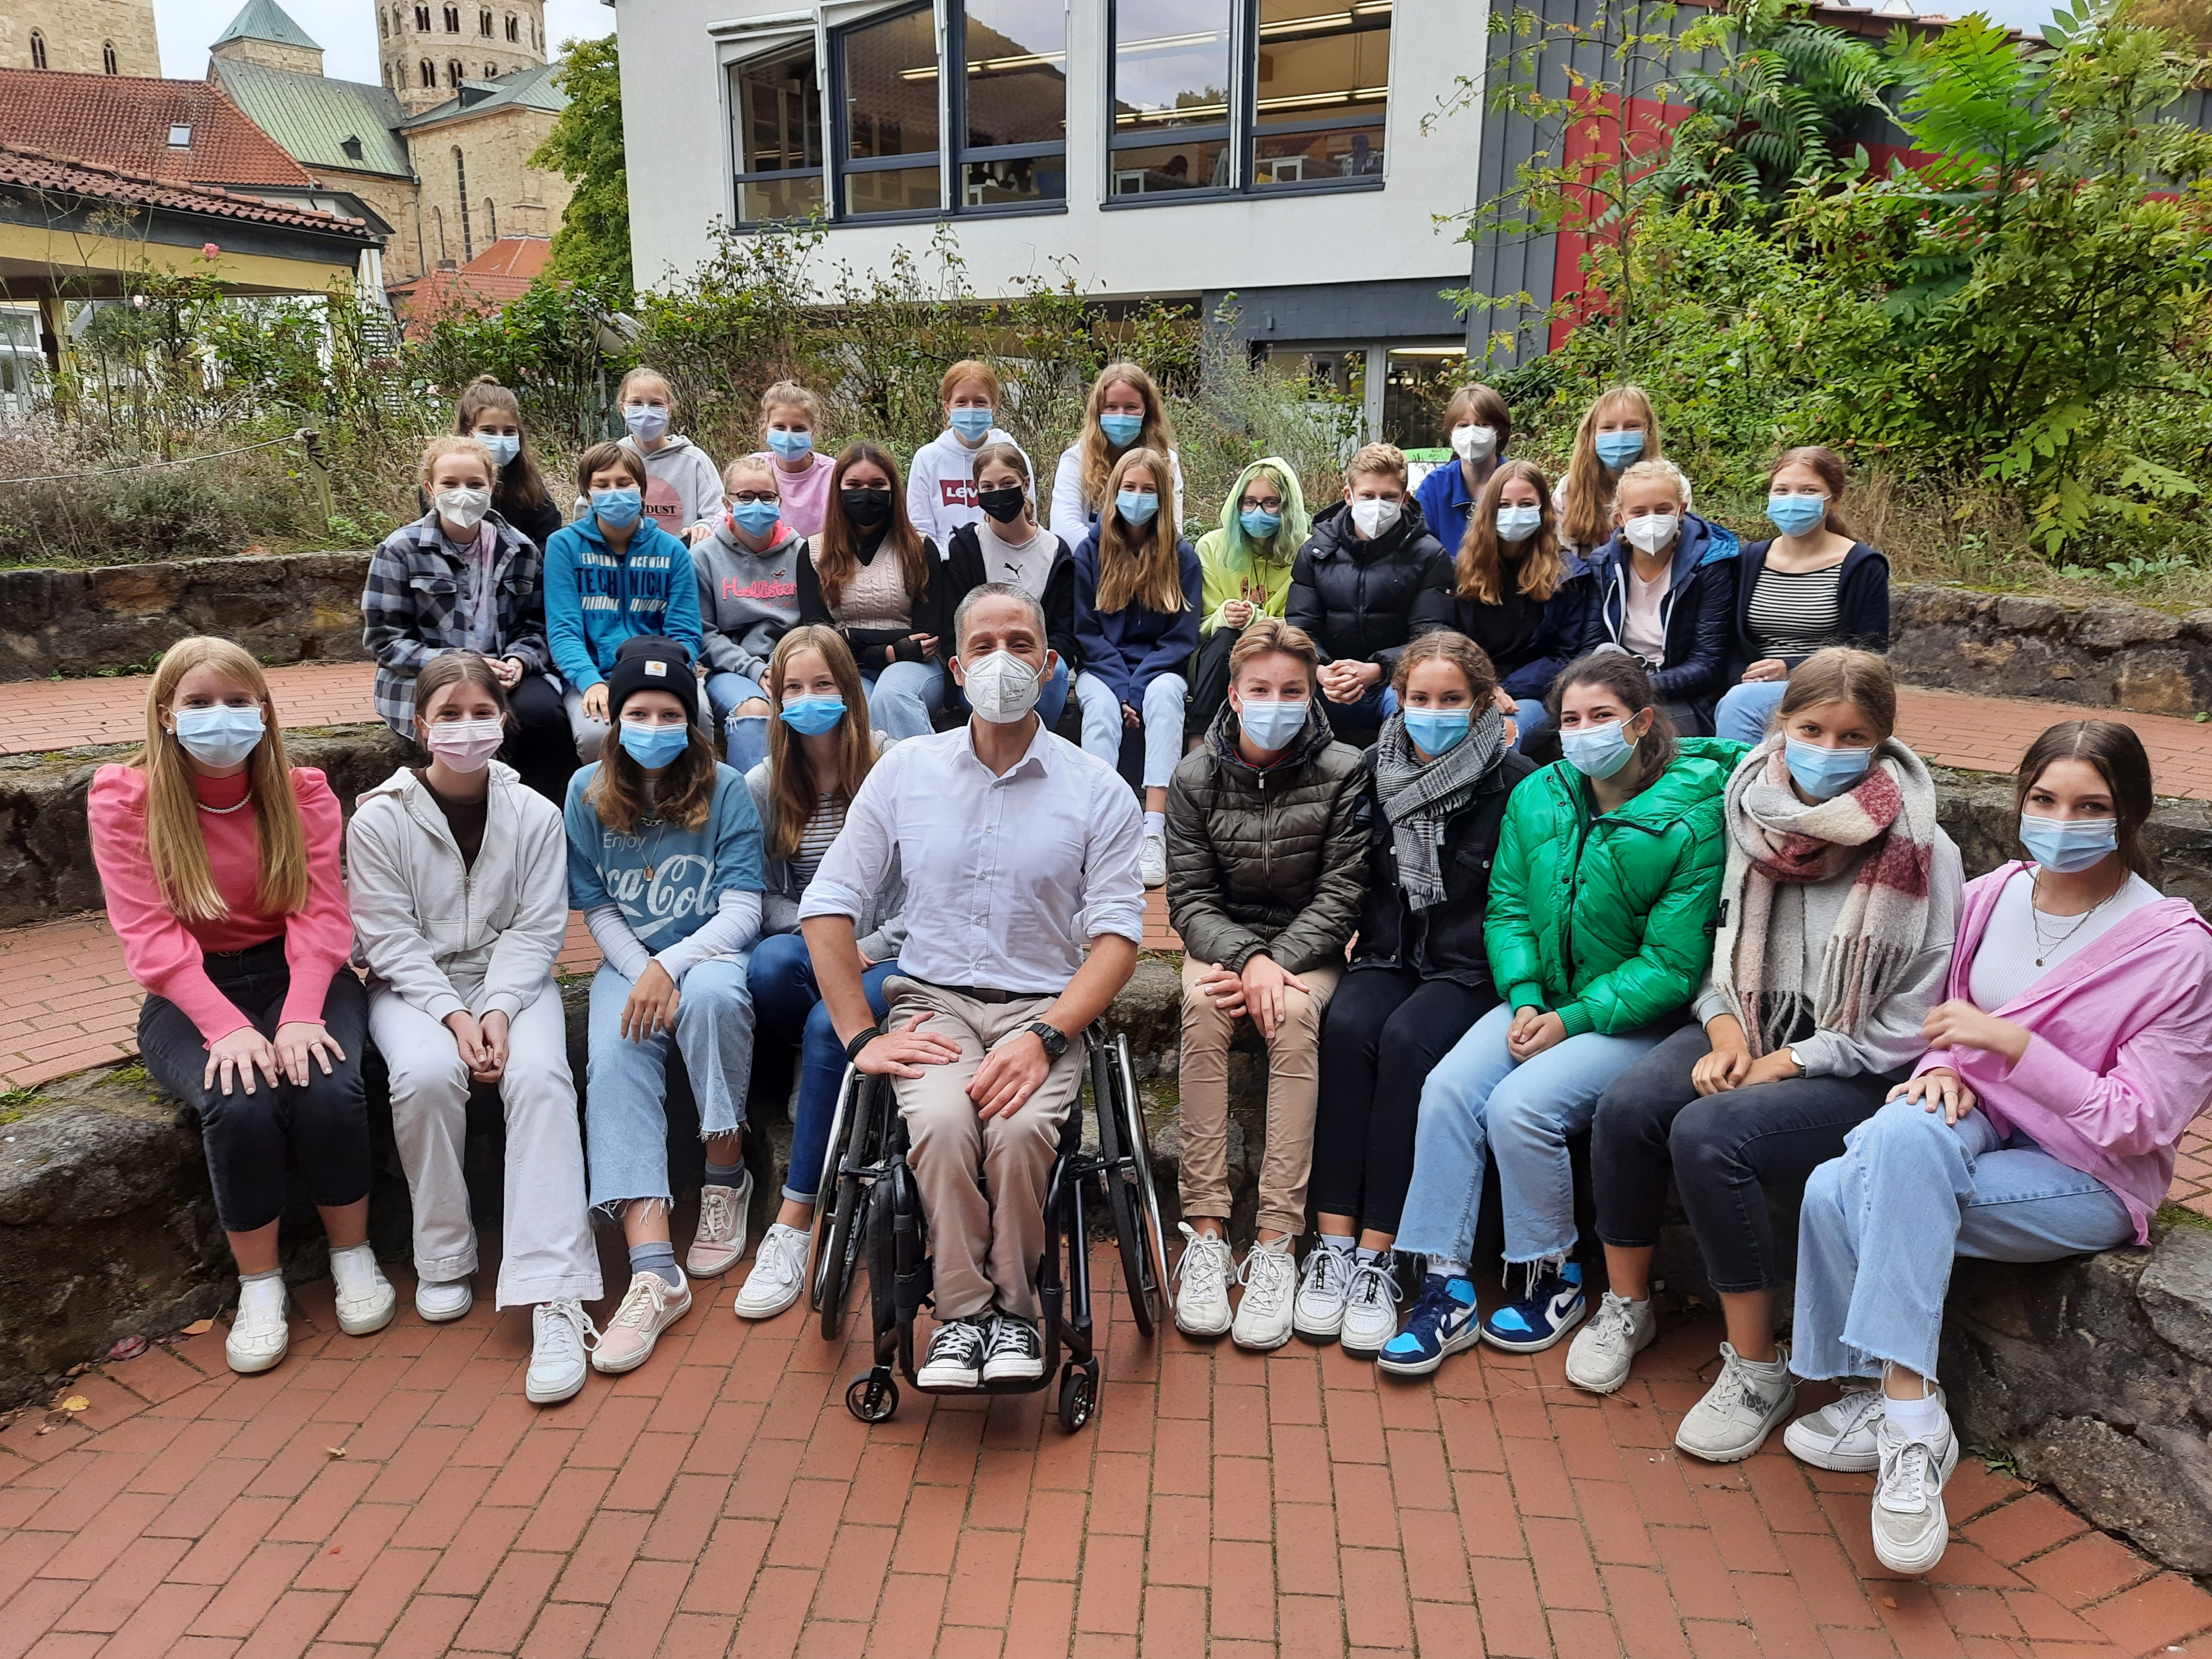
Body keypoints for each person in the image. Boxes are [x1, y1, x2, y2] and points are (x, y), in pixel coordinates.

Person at [1783, 720, 2212, 1577]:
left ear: (2128, 813)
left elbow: (2137, 1122)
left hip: (2085, 1171)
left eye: (2090, 805)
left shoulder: (2175, 950)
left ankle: (1890, 1408)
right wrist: (1947, 1064)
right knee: (1899, 1132)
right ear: (2020, 799)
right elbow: (1945, 1027)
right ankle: (1908, 1411)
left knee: (1841, 1187)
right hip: (1980, 1118)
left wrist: (2010, 1050)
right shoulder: (1992, 894)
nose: (2062, 820)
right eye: (2044, 799)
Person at [1568, 651, 1961, 1464]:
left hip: (1852, 1061)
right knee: (1629, 1105)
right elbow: (1714, 953)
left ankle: (1754, 1368)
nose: (1826, 747)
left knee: (1712, 1135)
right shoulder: (1747, 810)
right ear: (1780, 724)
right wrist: (1723, 1033)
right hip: (1744, 1022)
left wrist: (1788, 1059)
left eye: (1851, 735)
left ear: (1881, 741)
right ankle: (1626, 1303)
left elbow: (1912, 1015)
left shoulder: (1923, 847)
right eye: (1810, 727)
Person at [801, 583, 1145, 1391]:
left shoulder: (1097, 788)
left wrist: (1047, 1035)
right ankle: (960, 1315)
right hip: (934, 1003)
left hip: (1043, 1007)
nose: (1002, 661)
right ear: (954, 668)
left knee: (1022, 1130)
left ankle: (1017, 1313)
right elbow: (827, 905)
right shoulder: (904, 773)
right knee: (946, 1121)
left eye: (1019, 643)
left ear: (1049, 663)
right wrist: (860, 1034)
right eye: (983, 646)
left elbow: (1117, 939)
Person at [1377, 650, 1737, 1375]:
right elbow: (1508, 909)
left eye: (1601, 717)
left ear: (1642, 722)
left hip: (1633, 1018)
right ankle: (1443, 1284)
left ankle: (1554, 1275)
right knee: (1448, 1090)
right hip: (1545, 1000)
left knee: (1521, 1107)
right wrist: (1528, 996)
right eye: (1570, 719)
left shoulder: (1691, 816)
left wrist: (1569, 1022)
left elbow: (1673, 965)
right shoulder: (1540, 794)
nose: (1582, 733)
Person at [88, 637, 390, 1376]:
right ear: (165, 714)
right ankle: (261, 1284)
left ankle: (353, 1254)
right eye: (197, 703)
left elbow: (322, 917)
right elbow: (148, 934)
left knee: (328, 1084)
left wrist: (300, 1013)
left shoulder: (302, 793)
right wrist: (224, 1027)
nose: (218, 716)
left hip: (301, 977)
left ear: (264, 710)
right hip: (190, 989)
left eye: (235, 701)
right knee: (240, 1097)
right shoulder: (124, 799)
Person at [345, 653, 601, 1405]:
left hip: (513, 986)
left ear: (504, 720)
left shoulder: (536, 814)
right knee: (425, 1075)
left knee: (543, 1079)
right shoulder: (379, 818)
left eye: (480, 713)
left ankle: (555, 1291)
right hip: (413, 989)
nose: (466, 728)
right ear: (420, 725)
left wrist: (495, 1007)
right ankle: (444, 1254)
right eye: (448, 715)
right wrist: (454, 1016)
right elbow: (388, 941)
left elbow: (537, 927)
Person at [1299, 632, 1537, 1356]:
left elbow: (1520, 900)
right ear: (1398, 700)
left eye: (1451, 700)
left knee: (1407, 1044)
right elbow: (1343, 880)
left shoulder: (1517, 780)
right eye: (1419, 698)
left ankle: (1381, 1254)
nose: (1433, 713)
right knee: (1345, 1028)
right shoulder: (1372, 769)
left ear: (1484, 704)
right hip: (1387, 952)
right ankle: (1332, 1244)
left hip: (1467, 968)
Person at [564, 636, 766, 1375]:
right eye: (640, 712)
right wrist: (645, 972)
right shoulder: (585, 790)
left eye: (671, 711)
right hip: (632, 959)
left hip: (707, 952)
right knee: (614, 1051)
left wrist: (672, 966)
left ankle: (724, 1177)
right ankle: (655, 1268)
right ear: (617, 720)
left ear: (693, 719)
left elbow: (743, 909)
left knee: (713, 1001)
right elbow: (596, 909)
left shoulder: (728, 788)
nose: (655, 724)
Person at [1165, 618, 1367, 1349]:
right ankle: (1209, 1230)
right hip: (1223, 943)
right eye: (1261, 689)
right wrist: (1247, 960)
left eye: (1292, 689)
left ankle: (1278, 1237)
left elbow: (1343, 894)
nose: (1276, 701)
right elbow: (1188, 898)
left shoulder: (1346, 771)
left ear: (1312, 694)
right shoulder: (1194, 777)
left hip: (1306, 945)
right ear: (1235, 693)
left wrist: (1278, 963)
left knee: (1296, 1019)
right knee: (1202, 1010)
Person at [734, 626, 907, 1320]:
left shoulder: (893, 767)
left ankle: (795, 1218)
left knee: (823, 1019)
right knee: (771, 968)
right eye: (793, 689)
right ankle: (836, 1075)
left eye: (824, 686)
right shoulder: (765, 784)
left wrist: (870, 943)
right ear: (774, 699)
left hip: (890, 949)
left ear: (851, 692)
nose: (809, 700)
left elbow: (928, 886)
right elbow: (761, 895)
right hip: (815, 940)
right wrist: (826, 934)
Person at [365, 434, 572, 805]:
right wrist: (463, 665)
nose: (464, 493)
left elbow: (537, 625)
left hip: (503, 670)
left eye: (475, 484)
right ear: (430, 488)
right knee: (463, 725)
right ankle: (460, 817)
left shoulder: (520, 549)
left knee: (545, 717)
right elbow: (385, 639)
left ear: (492, 487)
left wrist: (519, 660)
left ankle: (537, 819)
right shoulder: (400, 549)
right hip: (425, 675)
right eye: (450, 483)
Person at [1072, 447, 1202, 888]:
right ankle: (1097, 828)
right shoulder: (1091, 551)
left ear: (1163, 497)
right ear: (1113, 492)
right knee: (1101, 713)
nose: (1138, 497)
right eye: (1129, 488)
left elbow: (1180, 638)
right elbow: (1087, 632)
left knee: (1166, 697)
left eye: (1148, 489)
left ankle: (1153, 829)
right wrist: (1123, 690)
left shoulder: (1182, 557)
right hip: (1102, 669)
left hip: (1158, 668)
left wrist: (1139, 688)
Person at [1715, 447, 1892, 744]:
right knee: (1740, 699)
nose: (1793, 499)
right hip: (1752, 687)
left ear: (1834, 499)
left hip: (1831, 688)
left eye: (1809, 491)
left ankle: (1739, 787)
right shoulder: (1750, 559)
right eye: (1782, 490)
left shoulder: (1862, 565)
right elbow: (1732, 642)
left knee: (1741, 706)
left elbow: (1869, 654)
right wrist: (1744, 679)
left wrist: (1790, 667)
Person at [545, 441, 705, 762]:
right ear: (588, 495)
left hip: (661, 670)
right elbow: (564, 631)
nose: (614, 492)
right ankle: (605, 809)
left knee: (697, 720)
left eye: (624, 483)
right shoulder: (563, 546)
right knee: (595, 736)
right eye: (602, 485)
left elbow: (685, 632)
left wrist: (666, 675)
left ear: (642, 491)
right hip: (593, 674)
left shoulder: (673, 550)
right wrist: (590, 682)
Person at [796, 441, 967, 741]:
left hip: (918, 667)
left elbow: (925, 635)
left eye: (877, 484)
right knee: (855, 703)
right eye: (854, 485)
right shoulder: (813, 552)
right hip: (842, 666)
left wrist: (851, 637)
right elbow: (818, 636)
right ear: (838, 491)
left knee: (892, 696)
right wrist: (890, 650)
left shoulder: (920, 549)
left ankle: (924, 783)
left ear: (892, 491)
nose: (866, 493)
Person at [1286, 441, 1453, 748]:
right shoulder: (1315, 552)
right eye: (1368, 496)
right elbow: (1301, 628)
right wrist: (1321, 670)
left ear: (1405, 499)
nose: (1377, 505)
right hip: (1328, 678)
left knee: (1416, 716)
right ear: (1349, 496)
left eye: (1388, 497)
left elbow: (1431, 637)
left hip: (1396, 681)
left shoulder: (1430, 555)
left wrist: (1378, 670)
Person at [1422, 458, 1593, 748]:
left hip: (1533, 695)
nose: (1515, 513)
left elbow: (1567, 656)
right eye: (1504, 505)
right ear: (1488, 511)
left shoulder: (1569, 576)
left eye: (1526, 504)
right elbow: (1442, 637)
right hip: (1465, 686)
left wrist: (1503, 689)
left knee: (1501, 735)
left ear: (1544, 511)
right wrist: (1480, 687)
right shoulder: (1456, 571)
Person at [1576, 458, 1740, 736]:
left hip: (1683, 696)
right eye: (1639, 512)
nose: (1651, 520)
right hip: (1614, 685)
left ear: (1681, 511)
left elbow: (1707, 663)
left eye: (1662, 510)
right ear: (1621, 518)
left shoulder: (1710, 566)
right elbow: (1592, 643)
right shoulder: (1604, 565)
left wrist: (1637, 688)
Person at [942, 441, 1077, 730]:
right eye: (987, 488)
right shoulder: (966, 548)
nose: (998, 494)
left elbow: (1065, 633)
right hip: (980, 669)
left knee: (1058, 673)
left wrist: (1025, 664)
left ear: (1025, 484)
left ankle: (1040, 752)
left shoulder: (1056, 552)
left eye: (1007, 484)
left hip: (1033, 667)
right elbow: (951, 627)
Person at [1187, 458, 1311, 738]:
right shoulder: (1212, 546)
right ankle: (1199, 736)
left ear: (1287, 506)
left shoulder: (1306, 549)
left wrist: (1258, 622)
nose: (1258, 512)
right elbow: (1196, 625)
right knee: (1227, 639)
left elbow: (1304, 624)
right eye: (1249, 502)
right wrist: (1223, 616)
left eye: (1271, 503)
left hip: (1283, 651)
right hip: (1217, 656)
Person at [694, 453, 803, 772]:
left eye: (767, 497)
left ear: (779, 500)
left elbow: (814, 623)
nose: (757, 504)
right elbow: (704, 633)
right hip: (732, 669)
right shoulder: (703, 558)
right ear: (728, 503)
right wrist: (755, 670)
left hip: (791, 663)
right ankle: (751, 813)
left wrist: (786, 668)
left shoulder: (802, 554)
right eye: (745, 496)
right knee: (755, 711)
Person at [422, 374, 563, 552]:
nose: (501, 440)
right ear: (467, 431)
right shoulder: (442, 477)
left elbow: (550, 535)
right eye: (488, 431)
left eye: (509, 431)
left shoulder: (528, 481)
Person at [1049, 361, 1186, 543]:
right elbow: (1064, 528)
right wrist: (1111, 559)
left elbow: (1173, 528)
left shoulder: (1167, 460)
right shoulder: (1076, 460)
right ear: (1098, 410)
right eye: (1111, 407)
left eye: (1131, 407)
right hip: (1090, 566)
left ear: (1147, 411)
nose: (1121, 415)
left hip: (1149, 565)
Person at [905, 359, 1033, 548]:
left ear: (995, 407)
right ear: (947, 407)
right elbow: (921, 529)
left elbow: (1028, 519)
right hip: (944, 569)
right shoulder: (927, 459)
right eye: (962, 402)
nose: (971, 409)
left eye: (980, 402)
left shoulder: (1015, 459)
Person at [1554, 384, 1681, 560]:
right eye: (1608, 427)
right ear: (1592, 433)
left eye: (1632, 426)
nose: (1620, 435)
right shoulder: (1569, 489)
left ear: (1648, 431)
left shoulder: (1673, 484)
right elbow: (1564, 557)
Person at [611, 367, 722, 544]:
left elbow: (718, 514)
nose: (645, 412)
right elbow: (589, 511)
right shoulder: (612, 460)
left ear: (669, 408)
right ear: (623, 408)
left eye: (656, 404)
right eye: (636, 403)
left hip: (682, 560)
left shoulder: (694, 461)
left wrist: (704, 528)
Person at [1412, 383, 1514, 556]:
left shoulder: (1517, 483)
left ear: (1500, 432)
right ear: (1451, 432)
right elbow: (1418, 550)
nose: (1472, 433)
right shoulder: (1435, 487)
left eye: (1483, 425)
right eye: (1463, 425)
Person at [753, 381, 837, 539]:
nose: (789, 435)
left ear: (813, 431)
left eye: (799, 429)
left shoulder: (832, 473)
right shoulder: (754, 468)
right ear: (767, 426)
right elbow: (726, 519)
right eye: (780, 427)